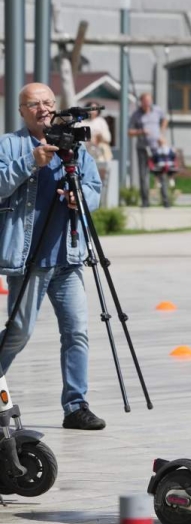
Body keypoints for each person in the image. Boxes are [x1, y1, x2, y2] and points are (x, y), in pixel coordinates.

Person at [0, 82, 105, 430]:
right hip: (29, 259)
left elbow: (94, 189)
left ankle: (76, 406)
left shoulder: (73, 145)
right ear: (22, 111)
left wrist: (81, 200)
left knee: (77, 332)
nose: (42, 108)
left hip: (68, 256)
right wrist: (31, 161)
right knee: (19, 331)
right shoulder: (10, 145)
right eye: (33, 104)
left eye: (47, 102)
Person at [128, 92, 167, 207]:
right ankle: (145, 201)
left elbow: (165, 120)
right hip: (143, 148)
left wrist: (161, 133)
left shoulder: (157, 110)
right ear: (141, 102)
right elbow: (129, 132)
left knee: (161, 173)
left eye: (149, 101)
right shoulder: (136, 114)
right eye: (145, 101)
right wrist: (141, 131)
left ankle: (165, 200)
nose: (147, 103)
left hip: (156, 148)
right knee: (143, 175)